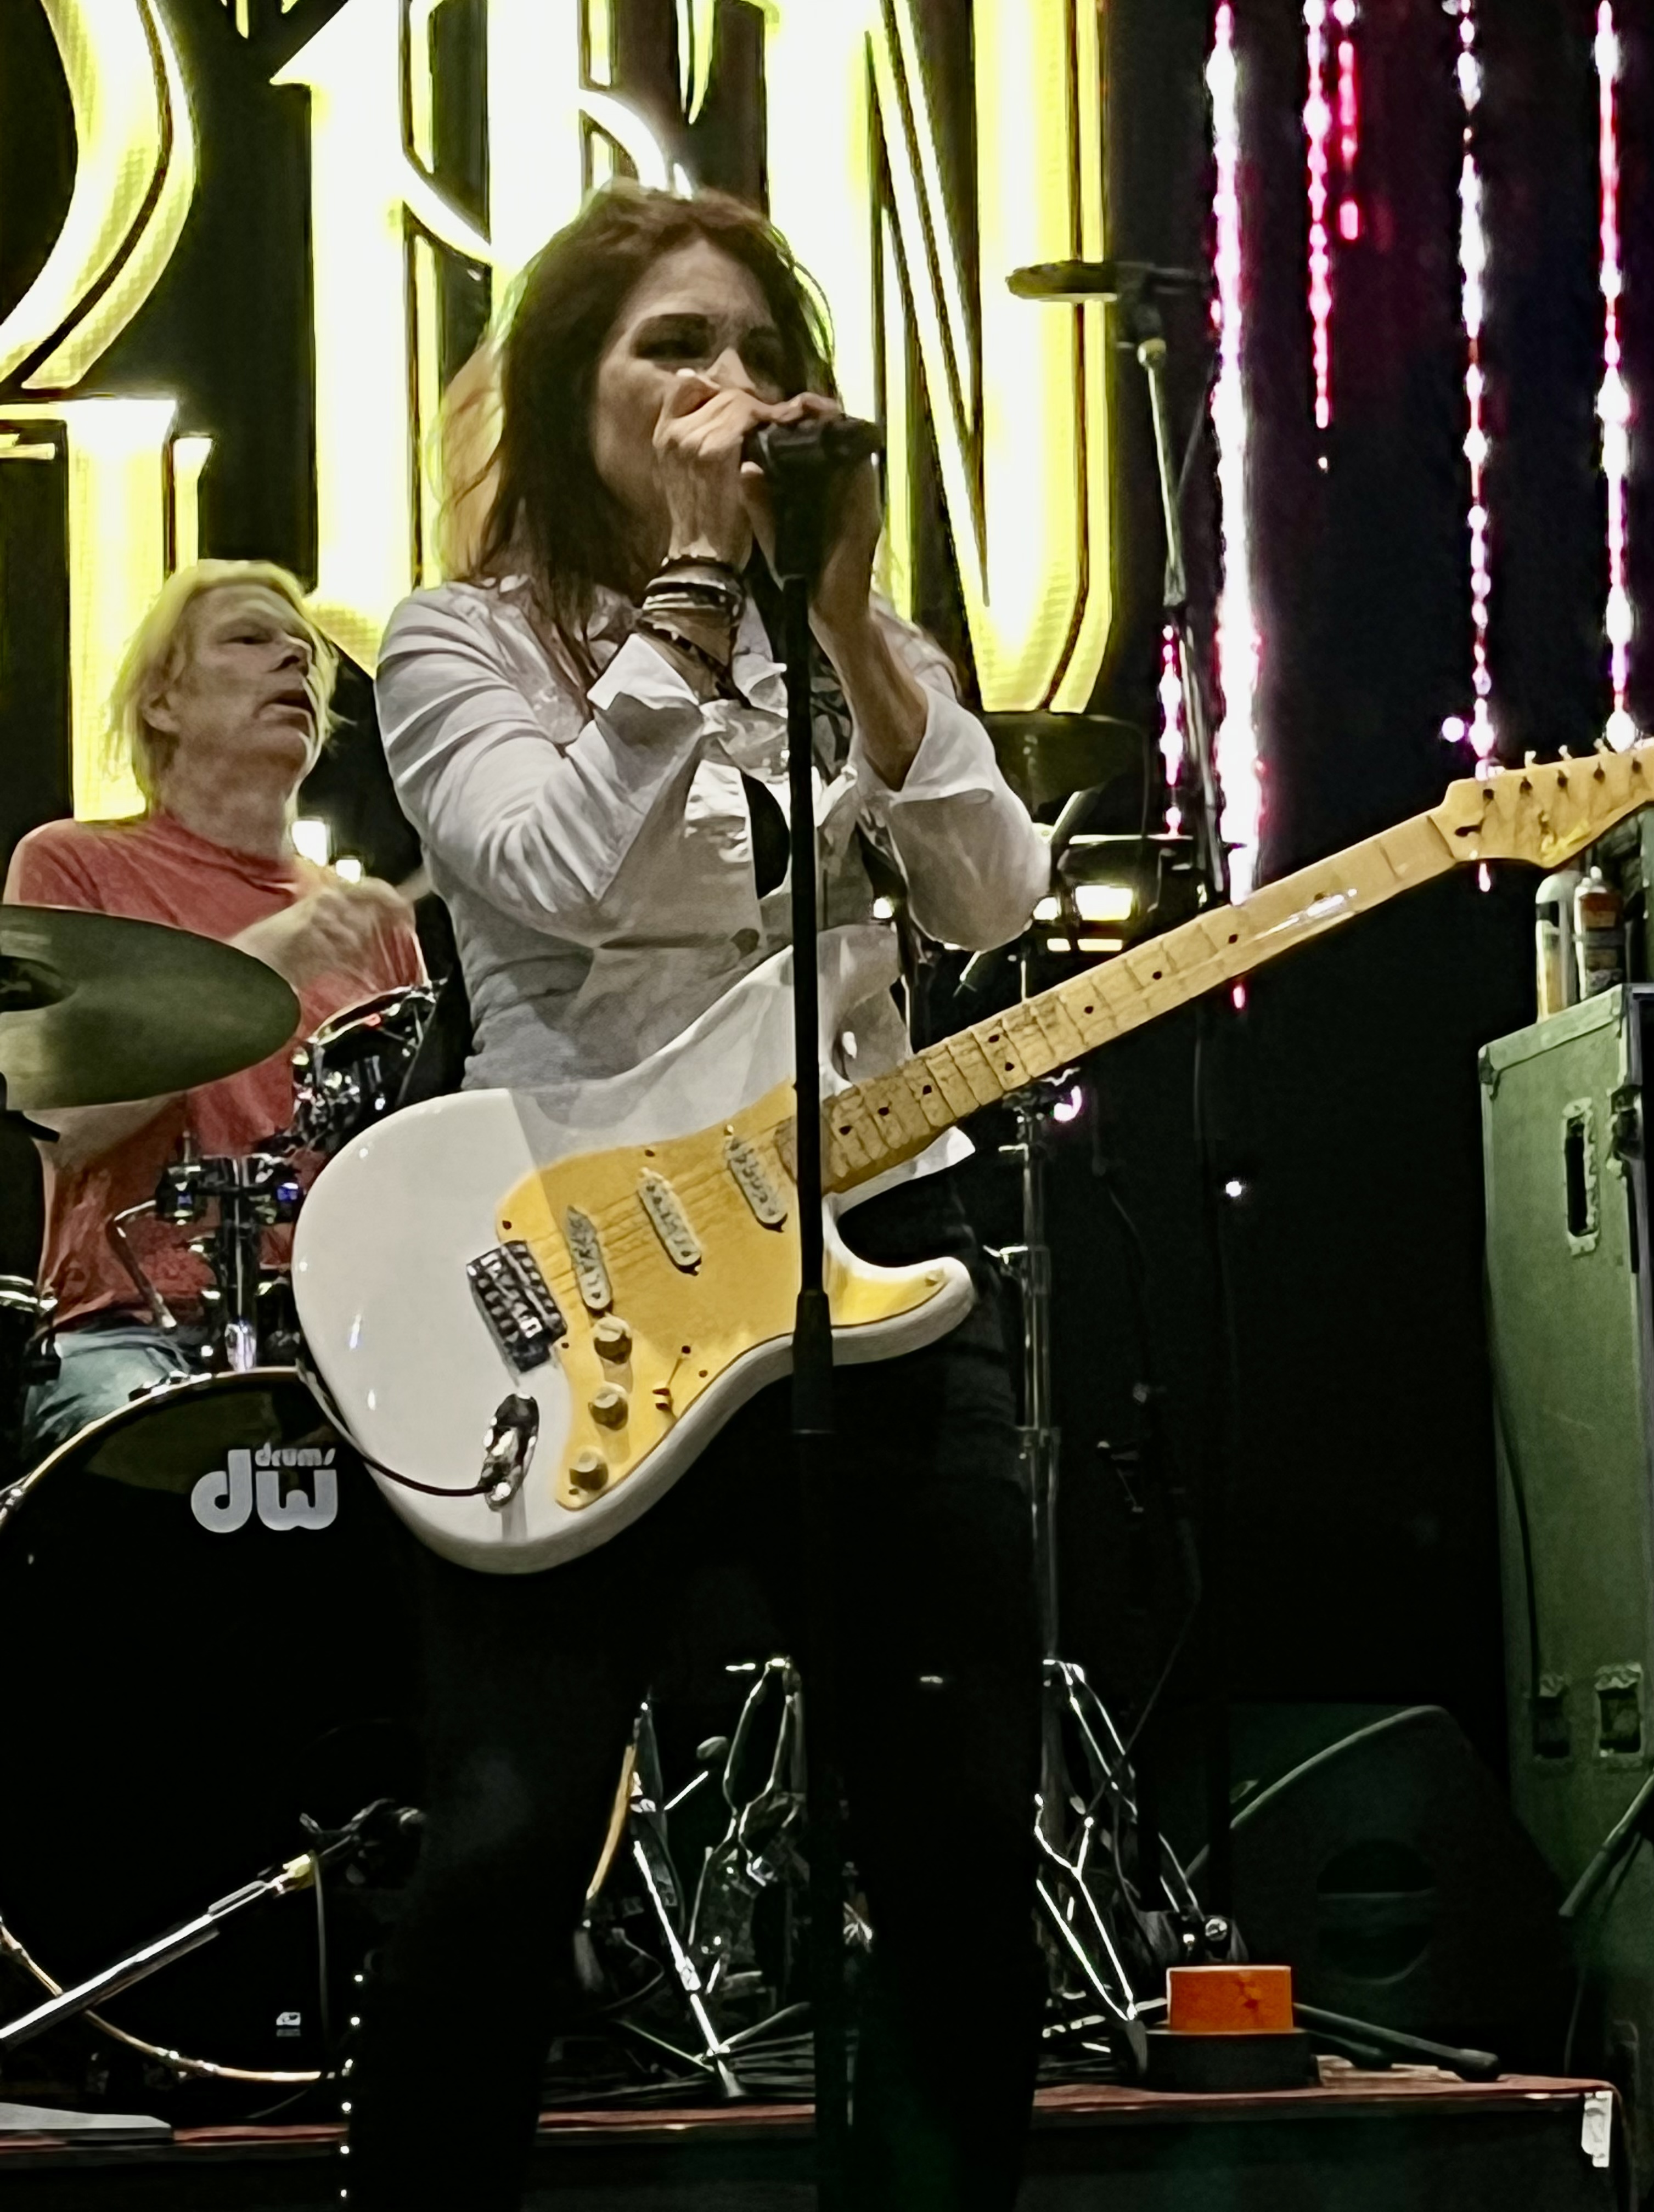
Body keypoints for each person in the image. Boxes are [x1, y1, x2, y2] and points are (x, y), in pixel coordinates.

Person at [353, 183, 1051, 2211]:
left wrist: (843, 622)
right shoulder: (457, 644)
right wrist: (681, 585)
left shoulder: (849, 651)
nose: (725, 388)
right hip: (577, 1280)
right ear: (571, 389)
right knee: (506, 1847)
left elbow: (991, 902)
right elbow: (555, 874)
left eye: (756, 351)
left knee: (950, 1849)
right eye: (673, 348)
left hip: (874, 1251)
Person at [4, 559, 424, 1461]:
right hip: (134, 1328)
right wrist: (260, 966)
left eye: (304, 650)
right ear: (164, 702)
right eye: (249, 638)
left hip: (343, 1336)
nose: (295, 659)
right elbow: (62, 1123)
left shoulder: (368, 921)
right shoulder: (76, 865)